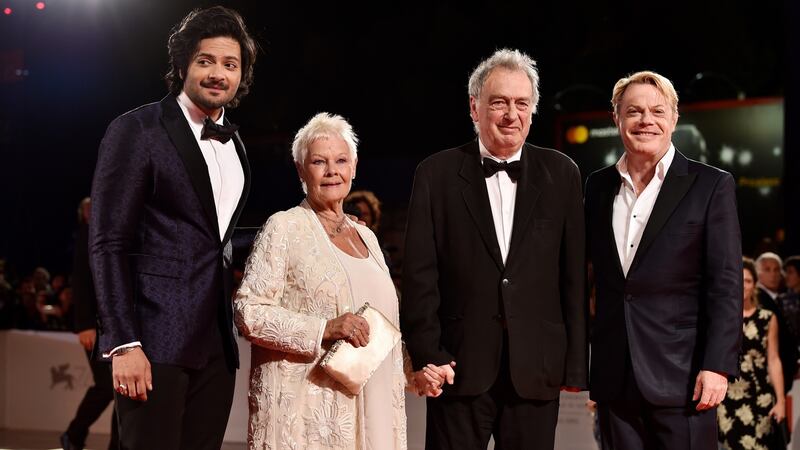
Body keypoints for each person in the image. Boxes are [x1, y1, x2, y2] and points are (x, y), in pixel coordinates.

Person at [401, 48, 587, 450]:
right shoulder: (435, 174)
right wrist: (428, 354)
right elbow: (420, 275)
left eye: (522, 103)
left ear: (533, 110)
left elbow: (572, 278)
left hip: (537, 370)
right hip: (457, 366)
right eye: (499, 102)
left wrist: (575, 365)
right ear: (475, 107)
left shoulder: (563, 174)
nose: (510, 114)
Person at [89, 6, 256, 449]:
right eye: (206, 61)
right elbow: (109, 243)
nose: (218, 73)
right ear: (182, 64)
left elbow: (214, 242)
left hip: (217, 347)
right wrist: (123, 342)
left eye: (230, 64)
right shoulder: (137, 130)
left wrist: (301, 227)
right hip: (154, 342)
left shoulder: (235, 145)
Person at [584, 70, 742, 449]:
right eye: (634, 111)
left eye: (657, 111)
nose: (646, 121)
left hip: (685, 380)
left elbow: (726, 283)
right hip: (614, 380)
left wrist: (717, 365)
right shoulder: (597, 185)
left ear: (674, 118)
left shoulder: (711, 184)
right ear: (616, 118)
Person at [234, 112, 410, 449]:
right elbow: (249, 312)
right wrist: (325, 328)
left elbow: (381, 327)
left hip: (374, 410)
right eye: (319, 161)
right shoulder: (284, 227)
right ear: (301, 170)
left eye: (341, 160)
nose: (332, 170)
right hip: (311, 418)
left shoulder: (367, 237)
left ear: (354, 167)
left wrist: (413, 372)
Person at [61, 198, 118, 450]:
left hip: (115, 325)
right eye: (89, 208)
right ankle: (73, 435)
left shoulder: (108, 235)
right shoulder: (87, 235)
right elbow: (81, 281)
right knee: (107, 387)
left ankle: (117, 444)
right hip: (95, 326)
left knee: (123, 390)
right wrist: (84, 324)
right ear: (84, 214)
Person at [718, 257, 785, 449]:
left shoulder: (767, 318)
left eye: (747, 280)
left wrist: (780, 401)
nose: (743, 286)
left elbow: (773, 360)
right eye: (739, 280)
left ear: (754, 284)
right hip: (727, 397)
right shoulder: (722, 318)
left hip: (759, 395)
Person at [755, 252, 798, 392]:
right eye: (767, 269)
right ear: (757, 273)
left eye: (776, 270)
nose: (773, 275)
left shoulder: (778, 299)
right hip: (766, 378)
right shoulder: (758, 300)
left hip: (782, 375)